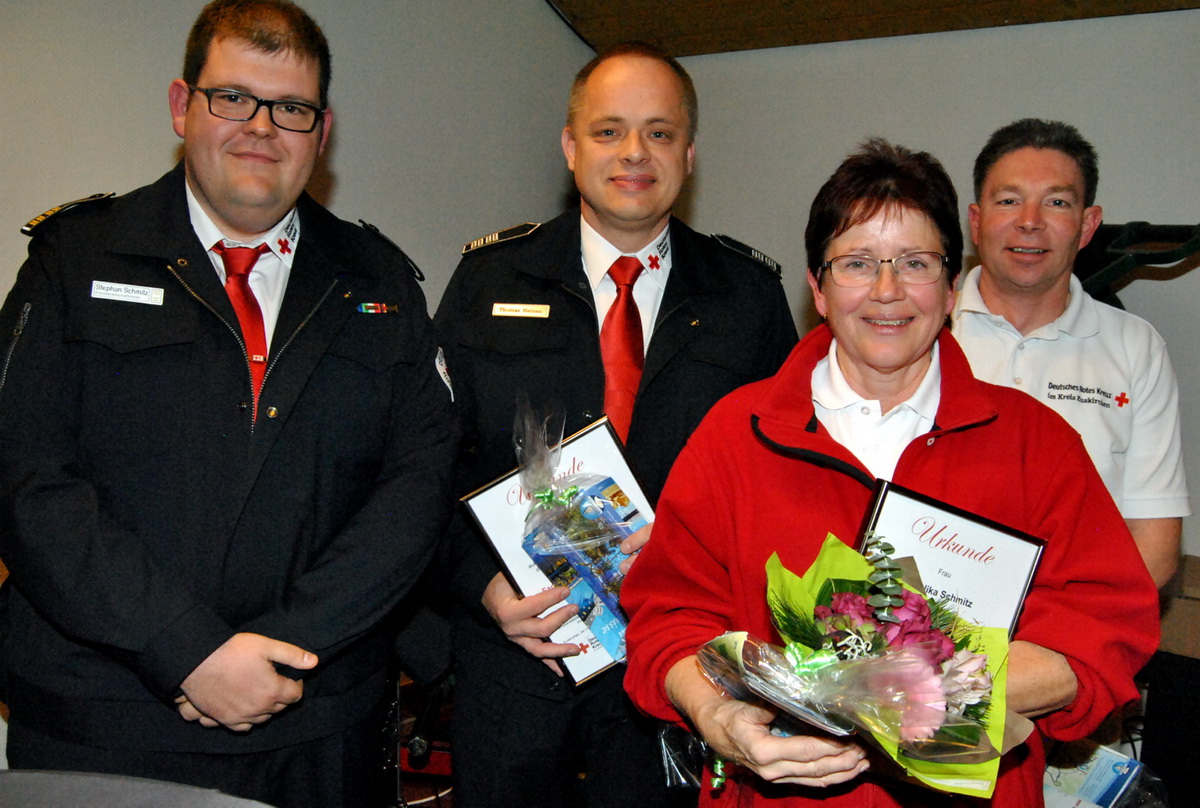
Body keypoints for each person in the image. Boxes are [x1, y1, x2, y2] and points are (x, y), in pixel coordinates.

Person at [0, 2, 457, 806]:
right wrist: (184, 649)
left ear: (322, 132)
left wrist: (287, 644)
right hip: (104, 720)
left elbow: (415, 492)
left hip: (318, 720)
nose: (262, 127)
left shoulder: (380, 280)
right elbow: (26, 480)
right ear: (182, 106)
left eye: (291, 108)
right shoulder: (75, 259)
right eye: (233, 97)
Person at [622, 139, 1159, 807]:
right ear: (817, 288)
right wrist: (717, 715)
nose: (886, 291)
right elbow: (667, 616)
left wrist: (931, 689)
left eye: (915, 263)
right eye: (856, 263)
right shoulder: (737, 434)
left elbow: (1104, 628)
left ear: (951, 286)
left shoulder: (1036, 444)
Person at [434, 43, 797, 807]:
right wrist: (482, 587)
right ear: (571, 147)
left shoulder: (747, 297)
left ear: (689, 154)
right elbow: (424, 463)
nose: (634, 152)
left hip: (680, 671)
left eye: (660, 133)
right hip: (517, 660)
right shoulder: (488, 280)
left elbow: (784, 483)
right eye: (609, 131)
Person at [951, 118, 1189, 588]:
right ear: (976, 222)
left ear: (1087, 226)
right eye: (1009, 200)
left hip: (1075, 622)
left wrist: (1060, 624)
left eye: (1056, 202)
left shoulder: (1136, 348)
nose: (1030, 220)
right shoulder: (919, 330)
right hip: (923, 619)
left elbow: (1156, 547)